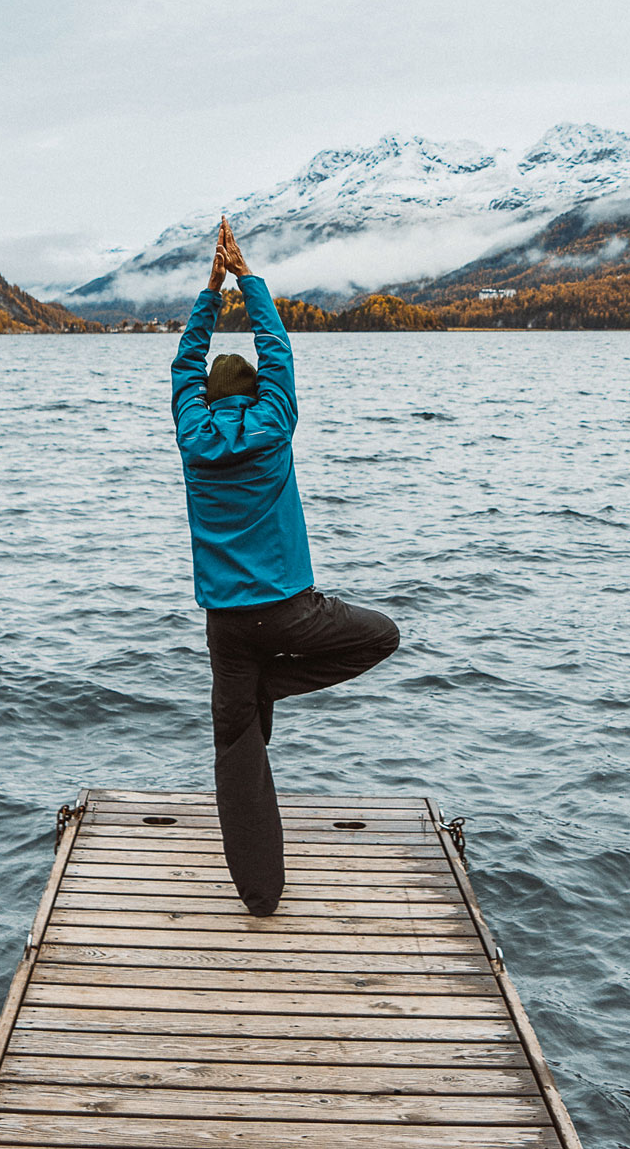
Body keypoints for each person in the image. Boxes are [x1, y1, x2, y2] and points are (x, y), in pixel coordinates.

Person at [170, 216, 400, 917]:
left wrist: (209, 292)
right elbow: (278, 348)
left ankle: (261, 893)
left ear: (209, 399)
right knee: (382, 635)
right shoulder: (274, 424)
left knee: (237, 748)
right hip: (292, 607)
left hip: (228, 626)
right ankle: (276, 677)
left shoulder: (191, 432)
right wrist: (247, 278)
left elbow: (184, 363)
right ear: (260, 393)